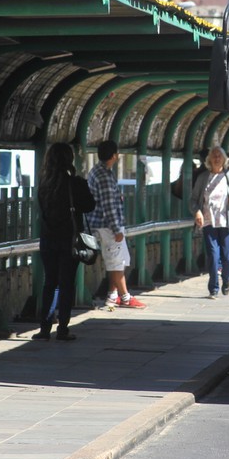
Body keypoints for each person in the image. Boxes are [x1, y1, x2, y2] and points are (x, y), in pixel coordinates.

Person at [33, 142, 96, 341]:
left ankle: (44, 328)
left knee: (50, 282)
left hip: (48, 239)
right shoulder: (75, 183)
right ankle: (62, 328)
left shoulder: (44, 184)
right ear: (69, 160)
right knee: (66, 283)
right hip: (70, 240)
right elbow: (89, 206)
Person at [86, 139, 146, 310]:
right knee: (116, 261)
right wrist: (116, 229)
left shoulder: (97, 171)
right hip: (107, 226)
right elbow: (109, 206)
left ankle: (112, 296)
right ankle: (126, 297)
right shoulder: (104, 176)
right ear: (114, 156)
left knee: (118, 259)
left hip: (101, 223)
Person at [190, 145, 229, 299]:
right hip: (209, 221)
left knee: (228, 257)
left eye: (219, 156)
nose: (217, 158)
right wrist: (197, 212)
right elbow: (193, 200)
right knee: (213, 254)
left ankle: (226, 279)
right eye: (214, 155)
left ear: (224, 159)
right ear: (209, 159)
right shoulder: (203, 178)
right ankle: (213, 288)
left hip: (227, 222)